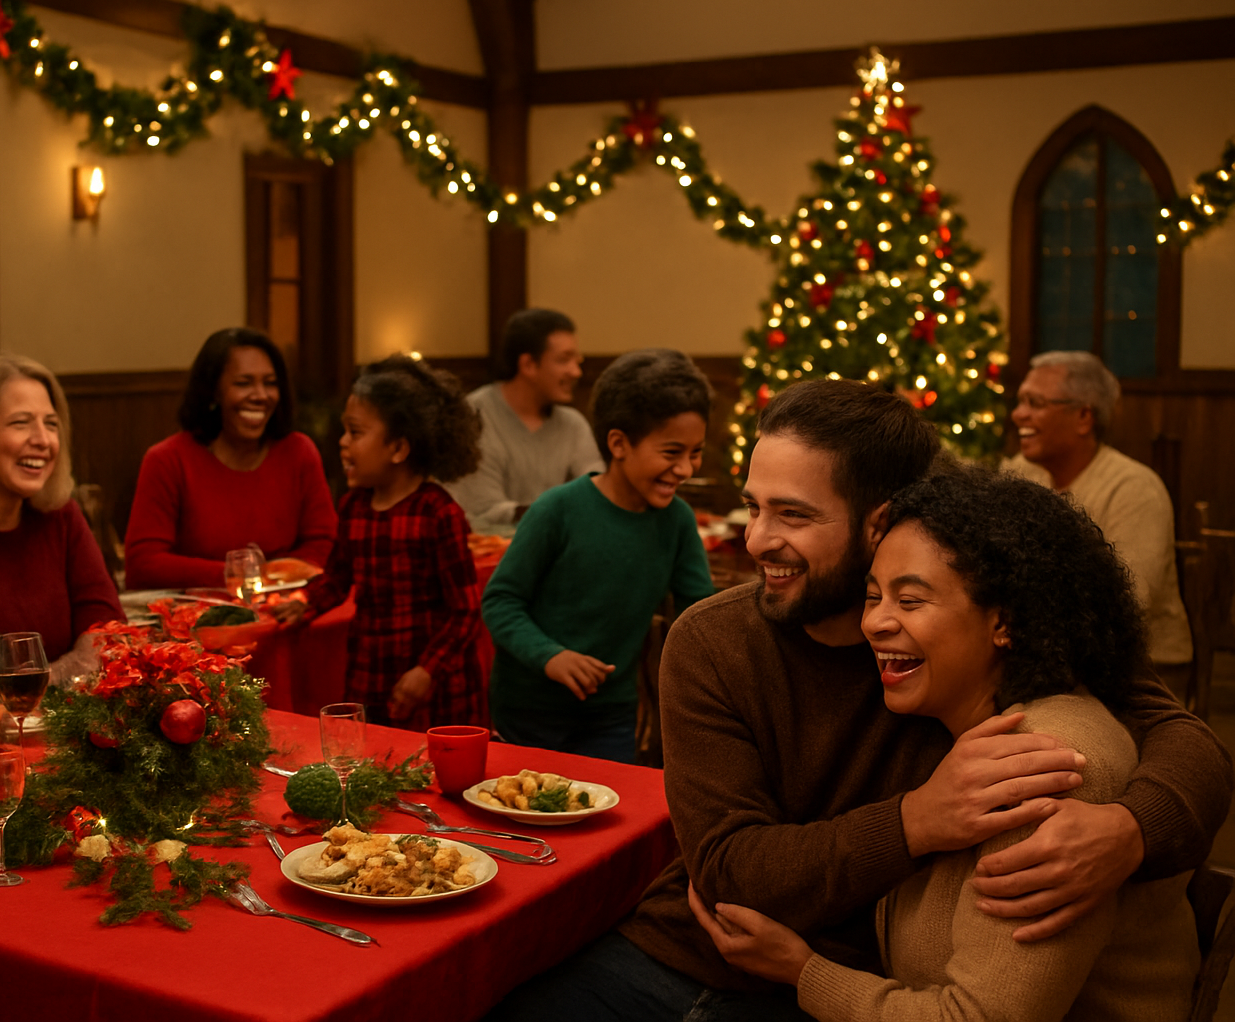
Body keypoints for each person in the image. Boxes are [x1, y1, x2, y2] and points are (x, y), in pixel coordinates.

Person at [487, 378, 1229, 1021]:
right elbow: (730, 873)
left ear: (881, 520)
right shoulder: (713, 641)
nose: (757, 540)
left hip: (868, 987)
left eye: (795, 515)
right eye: (754, 507)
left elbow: (1182, 736)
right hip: (702, 950)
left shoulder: (1001, 639)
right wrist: (918, 820)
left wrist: (1132, 828)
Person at [688, 466, 1198, 1021]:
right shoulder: (962, 722)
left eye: (910, 601)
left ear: (1005, 622)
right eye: (873, 596)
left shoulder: (1041, 769)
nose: (875, 624)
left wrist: (802, 970)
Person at [481, 349, 715, 764]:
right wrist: (550, 655)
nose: (685, 469)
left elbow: (698, 613)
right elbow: (501, 601)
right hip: (529, 708)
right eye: (671, 452)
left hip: (612, 713)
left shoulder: (677, 520)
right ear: (619, 444)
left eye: (695, 453)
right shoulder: (557, 510)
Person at [272, 354, 487, 730]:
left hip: (434, 688)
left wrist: (427, 670)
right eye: (344, 431)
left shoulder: (438, 513)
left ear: (399, 448)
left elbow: (465, 611)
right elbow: (338, 579)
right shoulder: (354, 506)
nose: (342, 443)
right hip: (371, 675)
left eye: (355, 433)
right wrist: (304, 606)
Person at [0, 353, 124, 678]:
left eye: (51, 424)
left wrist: (65, 675)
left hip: (63, 714)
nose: (43, 440)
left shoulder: (62, 515)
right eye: (20, 423)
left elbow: (105, 620)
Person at [1002, 351, 1192, 682]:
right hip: (1044, 655)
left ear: (1084, 417)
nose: (1019, 415)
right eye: (1020, 401)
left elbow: (1129, 601)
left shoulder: (1134, 488)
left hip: (1139, 671)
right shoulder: (1021, 471)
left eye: (1035, 403)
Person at [123, 328, 337, 589]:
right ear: (213, 391)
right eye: (243, 383)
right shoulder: (167, 460)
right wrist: (240, 575)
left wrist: (276, 577)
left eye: (270, 383)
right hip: (196, 618)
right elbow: (142, 565)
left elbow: (325, 544)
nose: (260, 395)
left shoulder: (299, 451)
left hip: (287, 609)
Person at [445, 308, 605, 535]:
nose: (576, 372)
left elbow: (597, 490)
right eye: (564, 360)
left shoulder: (572, 424)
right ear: (528, 364)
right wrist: (560, 509)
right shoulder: (475, 416)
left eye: (577, 360)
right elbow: (481, 511)